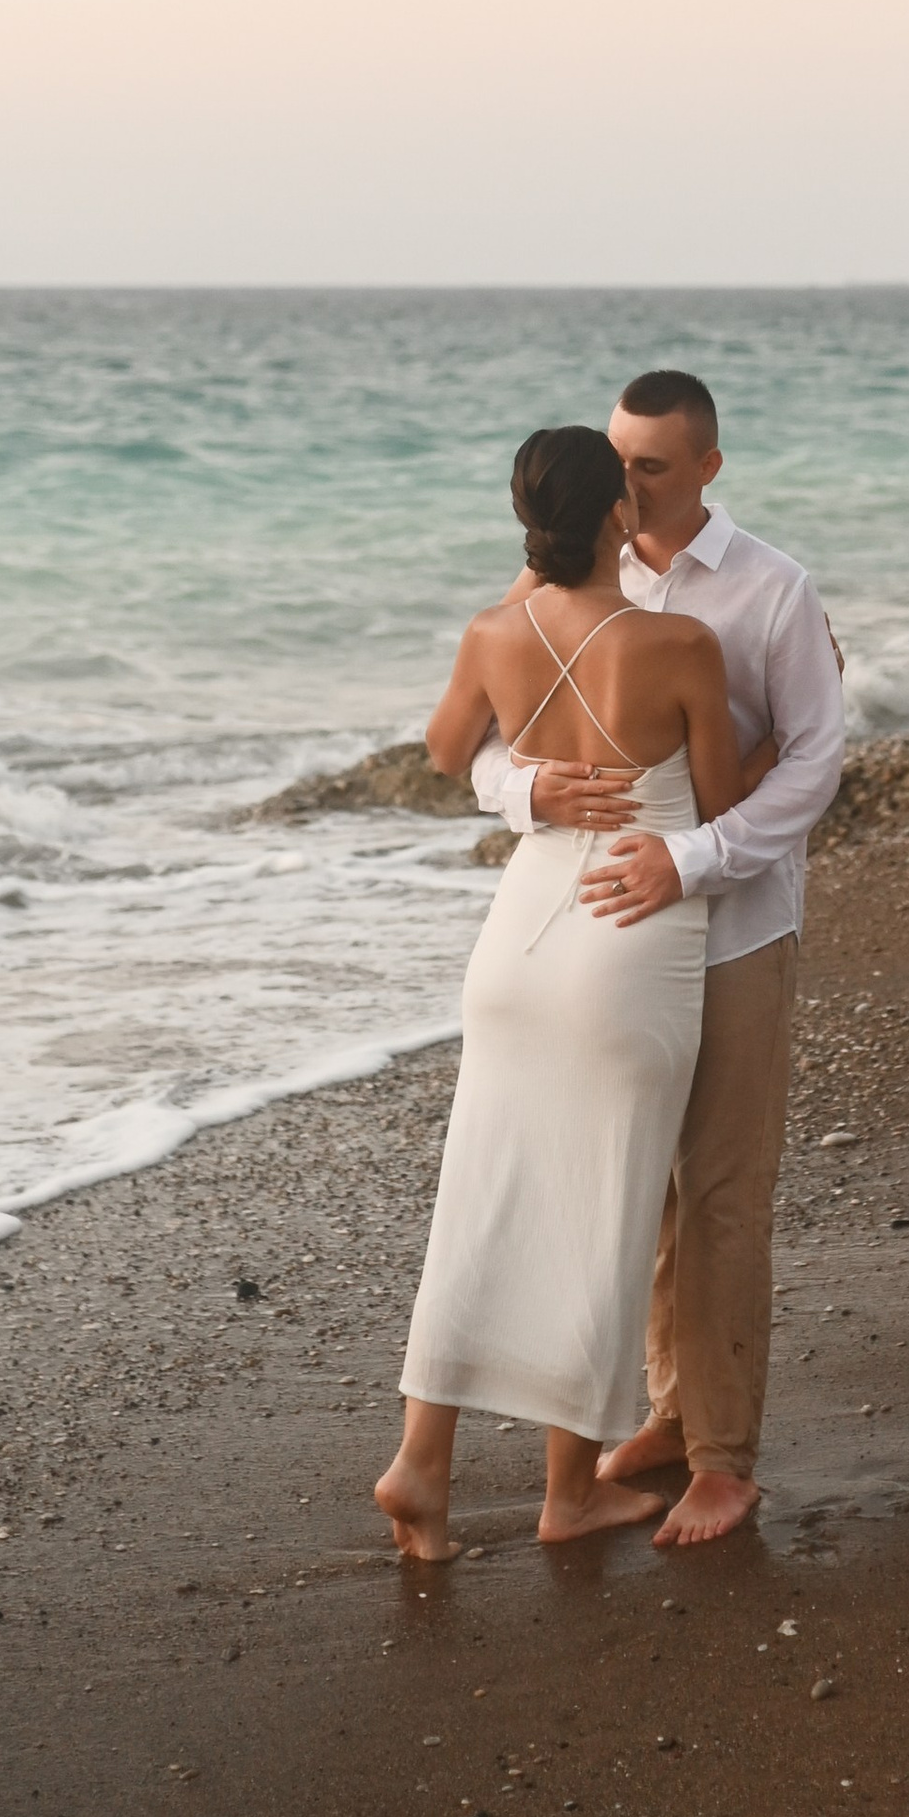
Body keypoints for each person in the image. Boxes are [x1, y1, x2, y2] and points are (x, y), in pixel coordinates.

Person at [469, 369, 846, 1545]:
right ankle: (668, 1416)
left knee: (724, 1193)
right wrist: (532, 789)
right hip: (605, 934)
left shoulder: (771, 591)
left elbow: (815, 761)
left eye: (652, 468)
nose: (625, 486)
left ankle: (724, 1457)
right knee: (641, 1184)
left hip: (733, 925)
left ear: (707, 471)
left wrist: (691, 860)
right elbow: (479, 741)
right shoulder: (562, 572)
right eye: (617, 461)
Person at [378, 424, 762, 1561]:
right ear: (617, 516)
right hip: (627, 943)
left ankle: (420, 1465)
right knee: (598, 1216)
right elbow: (723, 799)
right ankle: (567, 1492)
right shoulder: (680, 640)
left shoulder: (493, 630)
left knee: (481, 1207)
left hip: (514, 949)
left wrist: (533, 780)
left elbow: (449, 754)